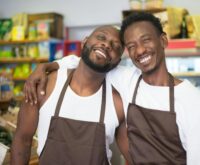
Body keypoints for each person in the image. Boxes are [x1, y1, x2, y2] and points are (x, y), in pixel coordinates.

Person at [23, 12, 200, 165]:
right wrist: (47, 66)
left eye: (145, 40)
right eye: (131, 46)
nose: (139, 51)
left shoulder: (191, 100)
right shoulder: (127, 80)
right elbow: (89, 60)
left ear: (163, 41)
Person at [11, 25, 131, 165]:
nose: (106, 45)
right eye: (101, 37)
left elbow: (134, 156)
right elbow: (22, 140)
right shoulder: (45, 85)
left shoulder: (118, 102)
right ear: (85, 41)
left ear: (118, 62)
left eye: (116, 46)